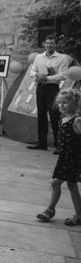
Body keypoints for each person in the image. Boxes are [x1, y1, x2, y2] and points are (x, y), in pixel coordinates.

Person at [35, 89, 81, 226]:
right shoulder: (63, 119)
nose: (61, 105)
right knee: (72, 185)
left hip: (73, 159)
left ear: (75, 103)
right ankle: (78, 215)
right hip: (64, 158)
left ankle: (50, 209)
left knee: (56, 183)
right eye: (59, 102)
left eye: (65, 102)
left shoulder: (77, 120)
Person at [28, 34, 69, 153]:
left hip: (52, 88)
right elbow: (32, 71)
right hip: (40, 88)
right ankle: (42, 143)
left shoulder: (62, 58)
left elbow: (64, 75)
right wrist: (37, 76)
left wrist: (48, 78)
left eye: (51, 43)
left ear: (55, 45)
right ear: (44, 44)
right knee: (41, 116)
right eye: (47, 43)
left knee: (54, 116)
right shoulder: (38, 57)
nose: (49, 45)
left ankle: (58, 145)